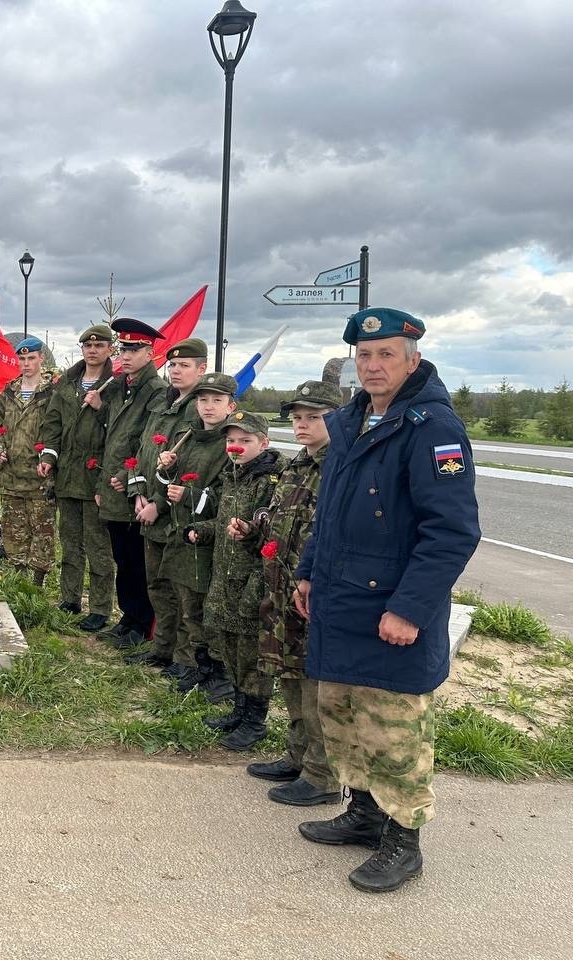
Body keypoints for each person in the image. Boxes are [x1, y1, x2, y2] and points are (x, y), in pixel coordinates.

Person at [295, 307, 480, 893]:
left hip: (391, 608)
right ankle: (365, 813)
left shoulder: (433, 429)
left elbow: (451, 532)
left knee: (393, 725)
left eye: (386, 355)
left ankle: (403, 839)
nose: (373, 365)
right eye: (365, 355)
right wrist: (306, 573)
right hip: (340, 598)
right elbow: (330, 513)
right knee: (343, 711)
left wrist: (410, 609)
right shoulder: (352, 420)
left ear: (413, 359)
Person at [245, 380, 344, 807]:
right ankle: (298, 756)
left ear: (336, 419)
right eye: (297, 417)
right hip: (283, 588)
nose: (302, 425)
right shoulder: (298, 465)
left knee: (316, 684)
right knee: (290, 672)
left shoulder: (339, 465)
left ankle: (322, 777)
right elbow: (285, 518)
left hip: (316, 593)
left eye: (313, 417)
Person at [130, 371, 236, 691]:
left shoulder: (229, 444)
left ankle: (190, 662)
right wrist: (168, 469)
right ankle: (166, 652)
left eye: (217, 401)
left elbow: (227, 496)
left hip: (201, 535)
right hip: (177, 528)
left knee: (194, 604)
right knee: (167, 591)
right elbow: (168, 483)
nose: (208, 407)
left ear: (231, 406)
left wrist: (187, 495)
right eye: (203, 400)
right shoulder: (189, 435)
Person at [185, 410, 284, 748]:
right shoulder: (232, 475)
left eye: (245, 440)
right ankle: (240, 710)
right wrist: (202, 530)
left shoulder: (271, 481)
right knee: (229, 647)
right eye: (231, 440)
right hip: (224, 578)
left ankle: (255, 722)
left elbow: (269, 534)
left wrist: (250, 533)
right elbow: (224, 523)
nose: (236, 446)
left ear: (264, 443)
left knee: (252, 655)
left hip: (253, 580)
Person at [123, 338, 207, 668]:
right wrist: (138, 492)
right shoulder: (164, 404)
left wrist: (156, 502)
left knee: (177, 588)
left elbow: (185, 463)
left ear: (201, 369)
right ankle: (162, 648)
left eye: (184, 365)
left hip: (174, 512)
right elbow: (145, 453)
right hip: (149, 504)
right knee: (156, 584)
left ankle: (183, 658)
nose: (175, 371)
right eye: (172, 365)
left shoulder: (197, 411)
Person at [94, 317, 167, 649]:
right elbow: (111, 439)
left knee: (137, 560)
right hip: (112, 486)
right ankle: (128, 617)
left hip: (133, 486)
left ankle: (141, 623)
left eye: (134, 349)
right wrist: (102, 484)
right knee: (122, 557)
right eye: (123, 348)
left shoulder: (154, 391)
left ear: (150, 353)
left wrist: (126, 477)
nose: (125, 354)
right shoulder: (121, 386)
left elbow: (148, 441)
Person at [38, 324, 115, 632]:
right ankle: (70, 598)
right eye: (88, 346)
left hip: (96, 476)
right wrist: (47, 456)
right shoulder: (67, 383)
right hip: (68, 475)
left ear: (110, 350)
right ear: (82, 349)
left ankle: (99, 607)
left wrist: (101, 408)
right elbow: (52, 423)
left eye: (99, 346)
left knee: (98, 546)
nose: (93, 350)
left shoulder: (116, 384)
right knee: (70, 542)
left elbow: (122, 430)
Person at [0, 336, 58, 585]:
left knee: (42, 531)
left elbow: (58, 430)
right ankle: (18, 579)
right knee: (13, 530)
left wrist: (49, 456)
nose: (26, 364)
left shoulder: (52, 393)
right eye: (22, 359)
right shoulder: (9, 392)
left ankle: (37, 584)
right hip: (11, 476)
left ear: (41, 359)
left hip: (40, 478)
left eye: (31, 358)